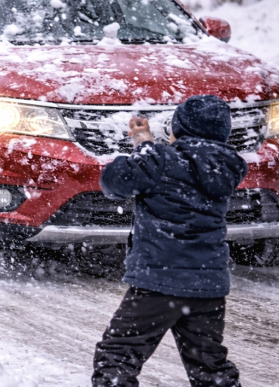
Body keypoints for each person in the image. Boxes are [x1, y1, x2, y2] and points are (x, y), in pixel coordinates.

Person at [92, 95, 248, 387]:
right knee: (209, 366)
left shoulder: (160, 161)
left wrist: (144, 145)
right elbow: (180, 165)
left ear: (179, 129)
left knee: (116, 356)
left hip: (159, 284)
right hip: (208, 286)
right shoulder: (226, 166)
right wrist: (147, 147)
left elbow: (115, 181)